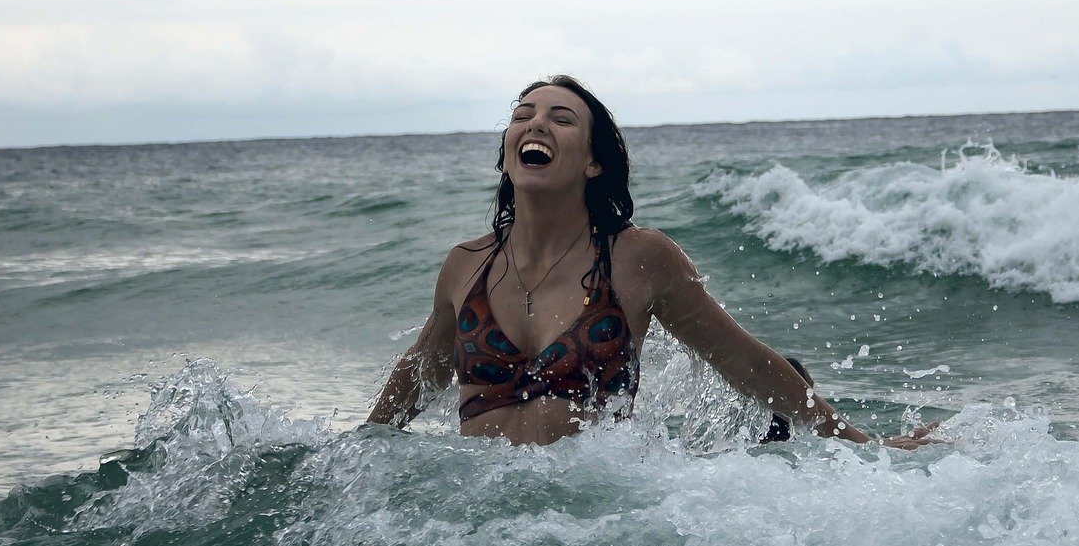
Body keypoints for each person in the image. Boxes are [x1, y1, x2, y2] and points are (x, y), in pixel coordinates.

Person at [367, 75, 939, 449]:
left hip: (592, 508)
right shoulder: (465, 265)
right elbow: (423, 370)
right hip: (480, 507)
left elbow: (741, 359)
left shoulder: (636, 257)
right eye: (523, 115)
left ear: (593, 163)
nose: (536, 123)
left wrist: (863, 444)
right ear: (507, 153)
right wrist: (357, 450)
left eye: (561, 119)